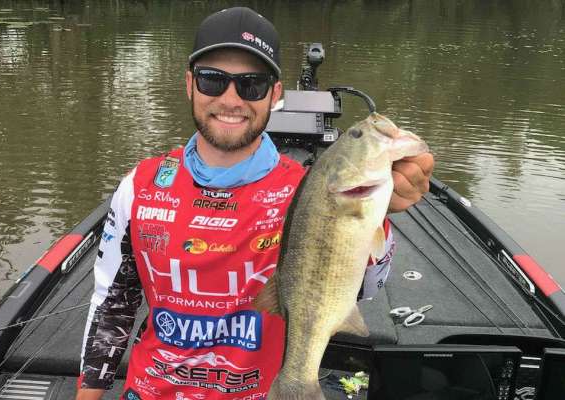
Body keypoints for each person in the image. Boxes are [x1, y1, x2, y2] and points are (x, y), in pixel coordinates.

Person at [76, 7, 434, 400]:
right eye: (212, 80)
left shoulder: (310, 192)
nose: (231, 99)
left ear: (275, 94)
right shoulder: (140, 185)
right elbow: (111, 304)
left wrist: (381, 215)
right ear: (190, 84)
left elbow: (365, 289)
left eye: (252, 85)